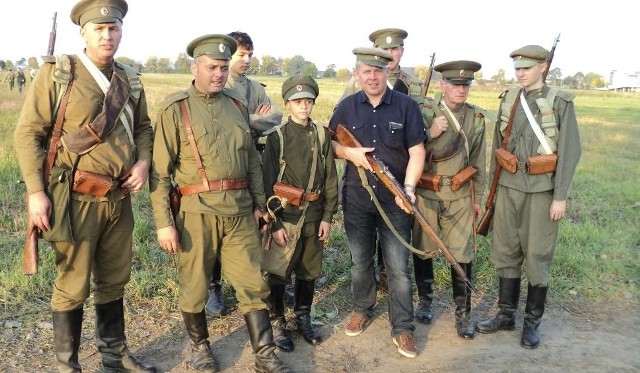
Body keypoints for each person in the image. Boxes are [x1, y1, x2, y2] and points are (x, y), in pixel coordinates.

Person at [13, 0, 156, 372]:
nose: (107, 35)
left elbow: (143, 129)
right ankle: (67, 364)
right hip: (74, 198)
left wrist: (142, 162)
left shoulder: (129, 78)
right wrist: (35, 191)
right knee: (72, 283)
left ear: (121, 31)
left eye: (114, 28)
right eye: (99, 29)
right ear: (84, 33)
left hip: (118, 198)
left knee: (114, 280)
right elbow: (28, 133)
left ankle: (114, 356)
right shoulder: (61, 74)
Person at [148, 33, 294, 373]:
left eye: (223, 67)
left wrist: (261, 206)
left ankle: (265, 356)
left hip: (241, 210)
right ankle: (199, 347)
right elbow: (160, 174)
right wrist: (163, 222)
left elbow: (251, 162)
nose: (218, 73)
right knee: (196, 284)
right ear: (195, 66)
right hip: (196, 212)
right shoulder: (175, 108)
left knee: (252, 284)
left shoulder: (237, 105)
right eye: (211, 66)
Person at [475, 45, 581, 349]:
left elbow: (570, 151)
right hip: (508, 188)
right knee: (505, 252)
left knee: (537, 256)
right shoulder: (510, 98)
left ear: (543, 67)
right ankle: (506, 314)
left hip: (541, 191)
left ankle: (532, 323)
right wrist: (493, 191)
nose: (520, 72)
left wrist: (559, 196)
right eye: (517, 67)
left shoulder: (559, 102)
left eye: (527, 67)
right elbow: (498, 145)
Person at [329, 47, 426, 358]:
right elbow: (331, 143)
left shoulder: (406, 106)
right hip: (357, 199)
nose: (372, 76)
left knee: (398, 268)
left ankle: (403, 329)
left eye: (378, 71)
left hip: (395, 199)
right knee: (361, 263)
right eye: (366, 71)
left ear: (388, 72)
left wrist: (408, 189)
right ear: (358, 74)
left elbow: (418, 151)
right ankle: (362, 309)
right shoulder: (346, 107)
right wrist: (349, 153)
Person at [205, 30, 284, 318]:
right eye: (241, 54)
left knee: (256, 221)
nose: (247, 60)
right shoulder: (217, 85)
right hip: (222, 167)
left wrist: (244, 122)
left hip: (254, 163)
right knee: (218, 228)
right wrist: (251, 120)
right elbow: (219, 124)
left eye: (250, 54)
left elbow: (275, 117)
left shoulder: (255, 88)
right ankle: (213, 288)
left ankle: (254, 279)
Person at [261, 75, 338, 352]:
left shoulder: (320, 135)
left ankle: (302, 318)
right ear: (287, 104)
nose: (304, 106)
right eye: (297, 101)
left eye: (308, 101)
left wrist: (328, 216)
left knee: (309, 271)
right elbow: (266, 184)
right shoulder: (277, 138)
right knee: (280, 270)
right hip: (287, 217)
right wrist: (276, 223)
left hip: (315, 215)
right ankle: (277, 321)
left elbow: (330, 179)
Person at [413, 60, 487, 339]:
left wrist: (477, 197)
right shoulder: (424, 112)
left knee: (461, 253)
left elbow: (479, 161)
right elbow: (411, 147)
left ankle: (463, 315)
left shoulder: (476, 119)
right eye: (455, 85)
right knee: (422, 248)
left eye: (465, 85)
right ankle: (425, 301)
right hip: (427, 192)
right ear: (443, 85)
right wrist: (429, 132)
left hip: (459, 196)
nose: (461, 90)